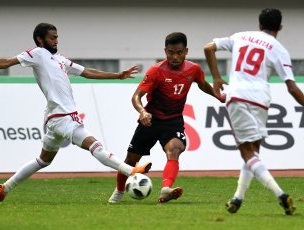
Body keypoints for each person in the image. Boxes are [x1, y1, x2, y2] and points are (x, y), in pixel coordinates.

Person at [0, 22, 152, 203]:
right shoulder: (37, 53)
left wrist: (118, 75)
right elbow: (7, 62)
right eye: (52, 37)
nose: (56, 40)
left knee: (43, 160)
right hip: (62, 117)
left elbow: (87, 72)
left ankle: (4, 188)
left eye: (57, 37)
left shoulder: (60, 60)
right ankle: (132, 171)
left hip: (54, 118)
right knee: (95, 146)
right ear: (40, 40)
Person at [204, 8, 303, 215]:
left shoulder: (241, 36)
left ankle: (281, 195)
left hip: (238, 97)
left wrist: (216, 78)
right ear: (280, 27)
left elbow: (208, 48)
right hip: (262, 101)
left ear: (259, 25)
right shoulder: (279, 49)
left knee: (247, 152)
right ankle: (238, 198)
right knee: (253, 153)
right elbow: (292, 88)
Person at [108, 32, 225, 204]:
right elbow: (136, 96)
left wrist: (217, 95)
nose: (174, 56)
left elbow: (202, 84)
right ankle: (119, 191)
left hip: (173, 121)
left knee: (175, 149)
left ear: (186, 51)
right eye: (170, 52)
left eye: (178, 52)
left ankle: (165, 189)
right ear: (165, 51)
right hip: (151, 120)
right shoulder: (156, 71)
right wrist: (142, 112)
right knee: (131, 160)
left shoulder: (194, 69)